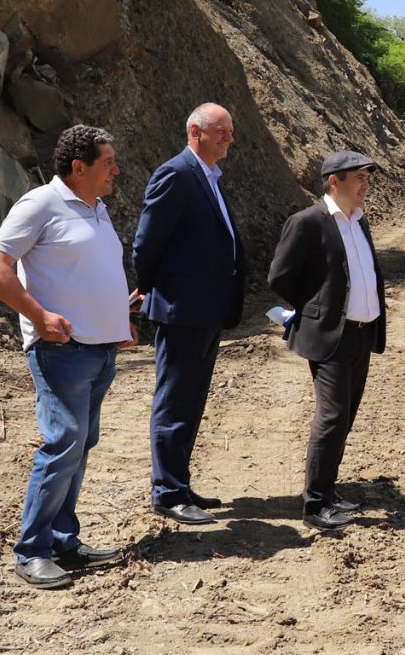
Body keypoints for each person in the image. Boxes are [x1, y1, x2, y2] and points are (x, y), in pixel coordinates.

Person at [0, 125, 133, 589]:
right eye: (108, 163)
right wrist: (39, 315)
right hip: (61, 352)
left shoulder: (98, 208)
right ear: (78, 167)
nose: (116, 170)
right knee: (63, 442)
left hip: (100, 350)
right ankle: (32, 550)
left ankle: (65, 539)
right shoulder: (39, 204)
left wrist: (116, 316)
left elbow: (83, 273)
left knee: (79, 445)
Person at [131, 103, 247, 525]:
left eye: (230, 131)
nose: (229, 138)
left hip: (206, 309)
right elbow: (147, 242)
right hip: (182, 309)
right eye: (222, 131)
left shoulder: (209, 176)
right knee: (175, 400)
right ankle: (167, 492)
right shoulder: (176, 174)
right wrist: (149, 287)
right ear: (196, 131)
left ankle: (179, 483)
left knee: (192, 401)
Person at [268, 150, 387, 531]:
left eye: (368, 178)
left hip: (361, 334)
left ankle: (329, 491)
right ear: (334, 181)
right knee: (332, 416)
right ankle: (315, 505)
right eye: (359, 178)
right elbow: (280, 277)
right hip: (332, 337)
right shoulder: (308, 222)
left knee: (345, 417)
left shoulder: (359, 220)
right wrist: (316, 309)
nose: (366, 185)